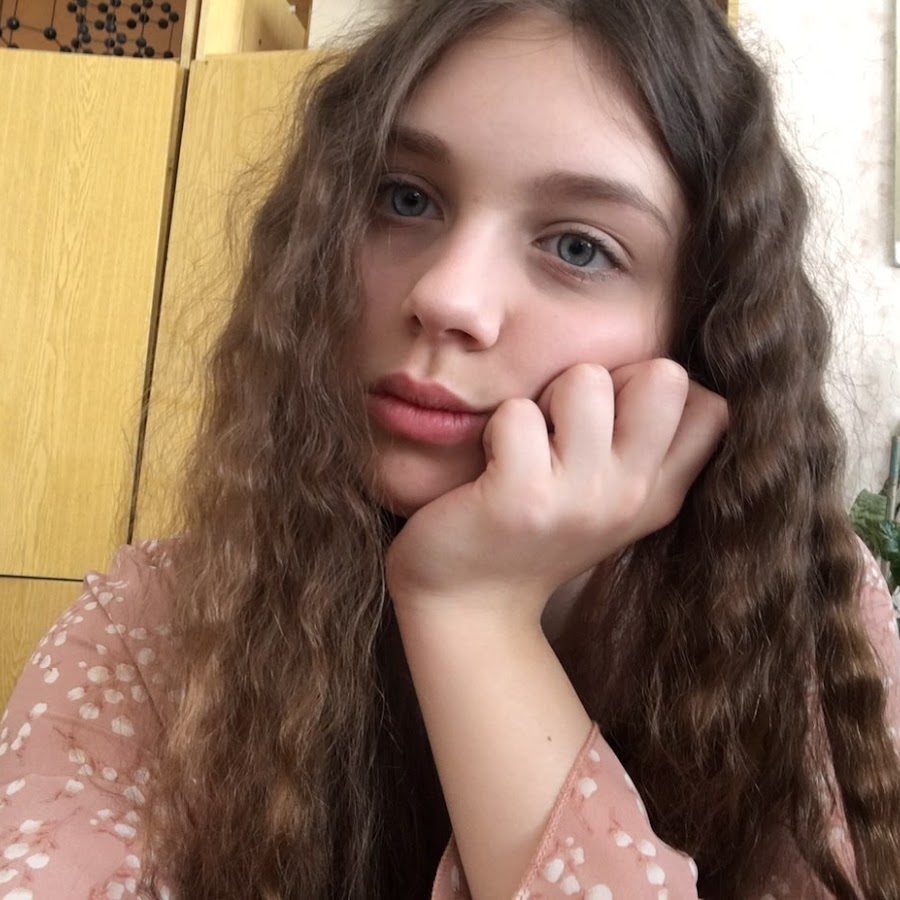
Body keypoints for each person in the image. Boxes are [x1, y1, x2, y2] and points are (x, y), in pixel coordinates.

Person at [2, 0, 899, 897]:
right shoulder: (155, 626)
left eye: (579, 247)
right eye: (405, 198)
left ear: (698, 337)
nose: (447, 296)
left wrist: (473, 610)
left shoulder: (801, 616)